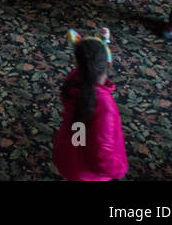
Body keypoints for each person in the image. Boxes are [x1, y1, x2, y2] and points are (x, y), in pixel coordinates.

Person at [51, 30, 128, 181]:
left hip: (67, 154)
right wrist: (119, 169)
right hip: (87, 174)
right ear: (108, 64)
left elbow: (79, 134)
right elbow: (101, 154)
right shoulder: (105, 105)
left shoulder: (73, 81)